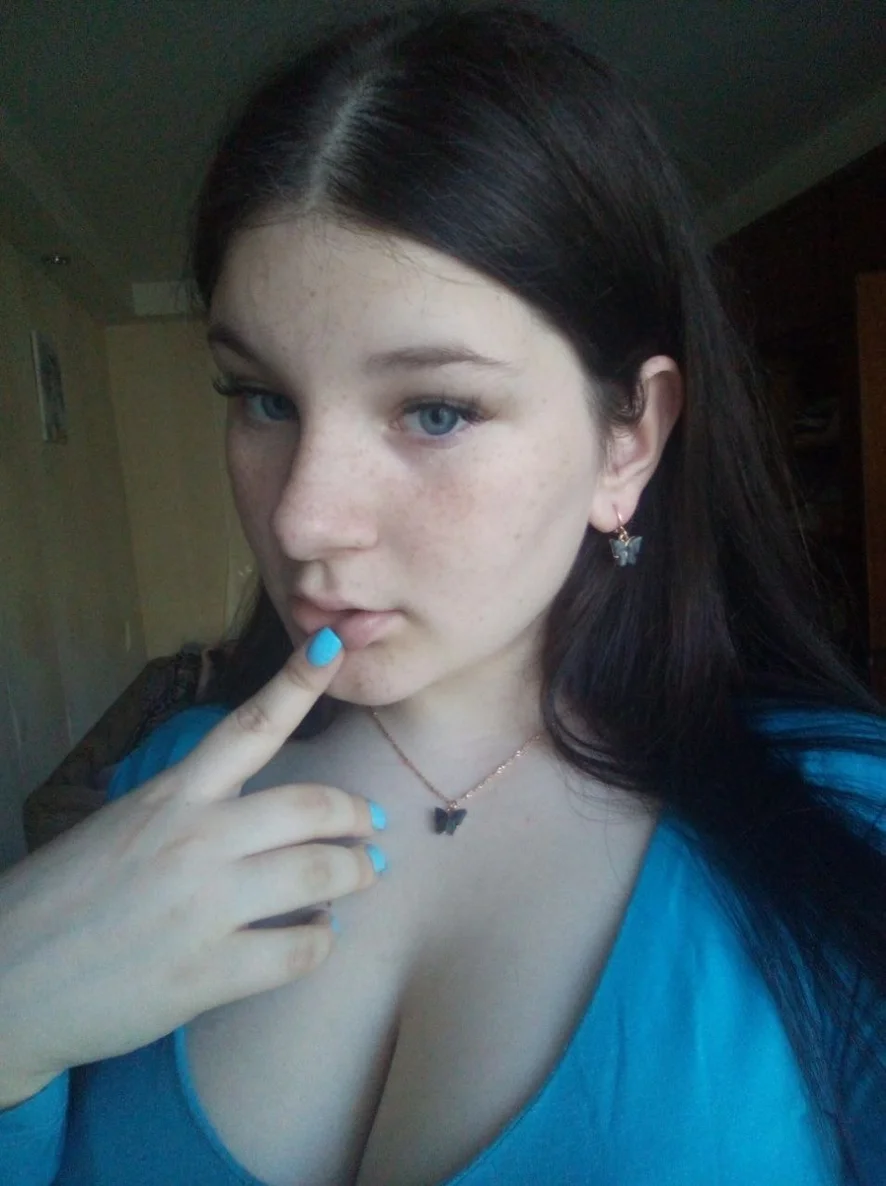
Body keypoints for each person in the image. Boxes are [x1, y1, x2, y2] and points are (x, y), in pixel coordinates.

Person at [1, 4, 884, 1183]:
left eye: (436, 410)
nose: (302, 517)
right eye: (262, 398)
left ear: (627, 441)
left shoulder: (844, 827)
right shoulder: (162, 794)